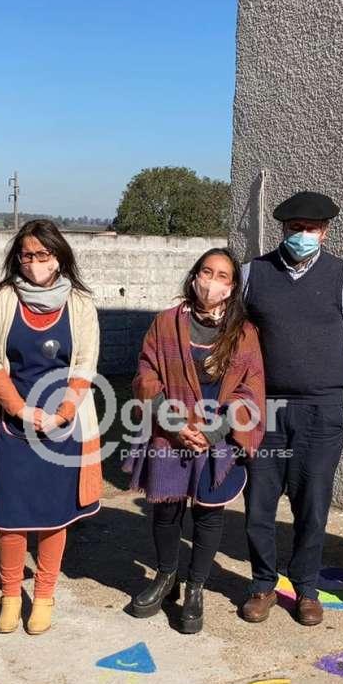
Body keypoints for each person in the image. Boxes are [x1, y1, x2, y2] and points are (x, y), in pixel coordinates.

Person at [239, 191, 343, 625]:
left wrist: (317, 372)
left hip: (320, 408)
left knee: (312, 502)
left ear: (325, 232)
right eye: (295, 228)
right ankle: (262, 585)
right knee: (259, 502)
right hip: (265, 406)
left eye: (311, 229)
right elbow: (240, 334)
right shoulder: (253, 273)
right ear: (283, 229)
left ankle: (306, 589)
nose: (303, 235)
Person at [123, 249, 266, 633]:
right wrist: (174, 424)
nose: (211, 282)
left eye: (222, 276)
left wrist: (214, 431)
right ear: (194, 276)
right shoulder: (166, 323)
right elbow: (146, 376)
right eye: (206, 272)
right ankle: (166, 575)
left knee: (208, 513)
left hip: (216, 438)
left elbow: (251, 391)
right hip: (170, 434)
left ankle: (196, 587)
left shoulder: (244, 333)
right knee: (166, 509)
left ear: (232, 287)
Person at [0, 219, 102, 635]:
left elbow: (84, 365)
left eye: (43, 255)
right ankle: (10, 596)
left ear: (58, 257)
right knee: (10, 518)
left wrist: (62, 412)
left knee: (53, 517)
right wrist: (20, 409)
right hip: (14, 428)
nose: (34, 263)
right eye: (27, 255)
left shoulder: (80, 304)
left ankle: (44, 596)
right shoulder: (2, 300)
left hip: (63, 428)